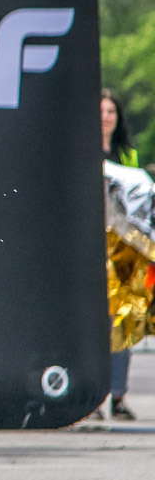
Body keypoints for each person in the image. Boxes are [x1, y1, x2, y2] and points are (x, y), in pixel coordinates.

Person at [101, 89, 139, 420]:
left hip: (121, 245)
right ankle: (94, 395)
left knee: (123, 320)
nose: (105, 117)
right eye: (100, 111)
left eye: (111, 111)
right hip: (92, 243)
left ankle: (117, 393)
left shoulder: (127, 155)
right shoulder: (81, 153)